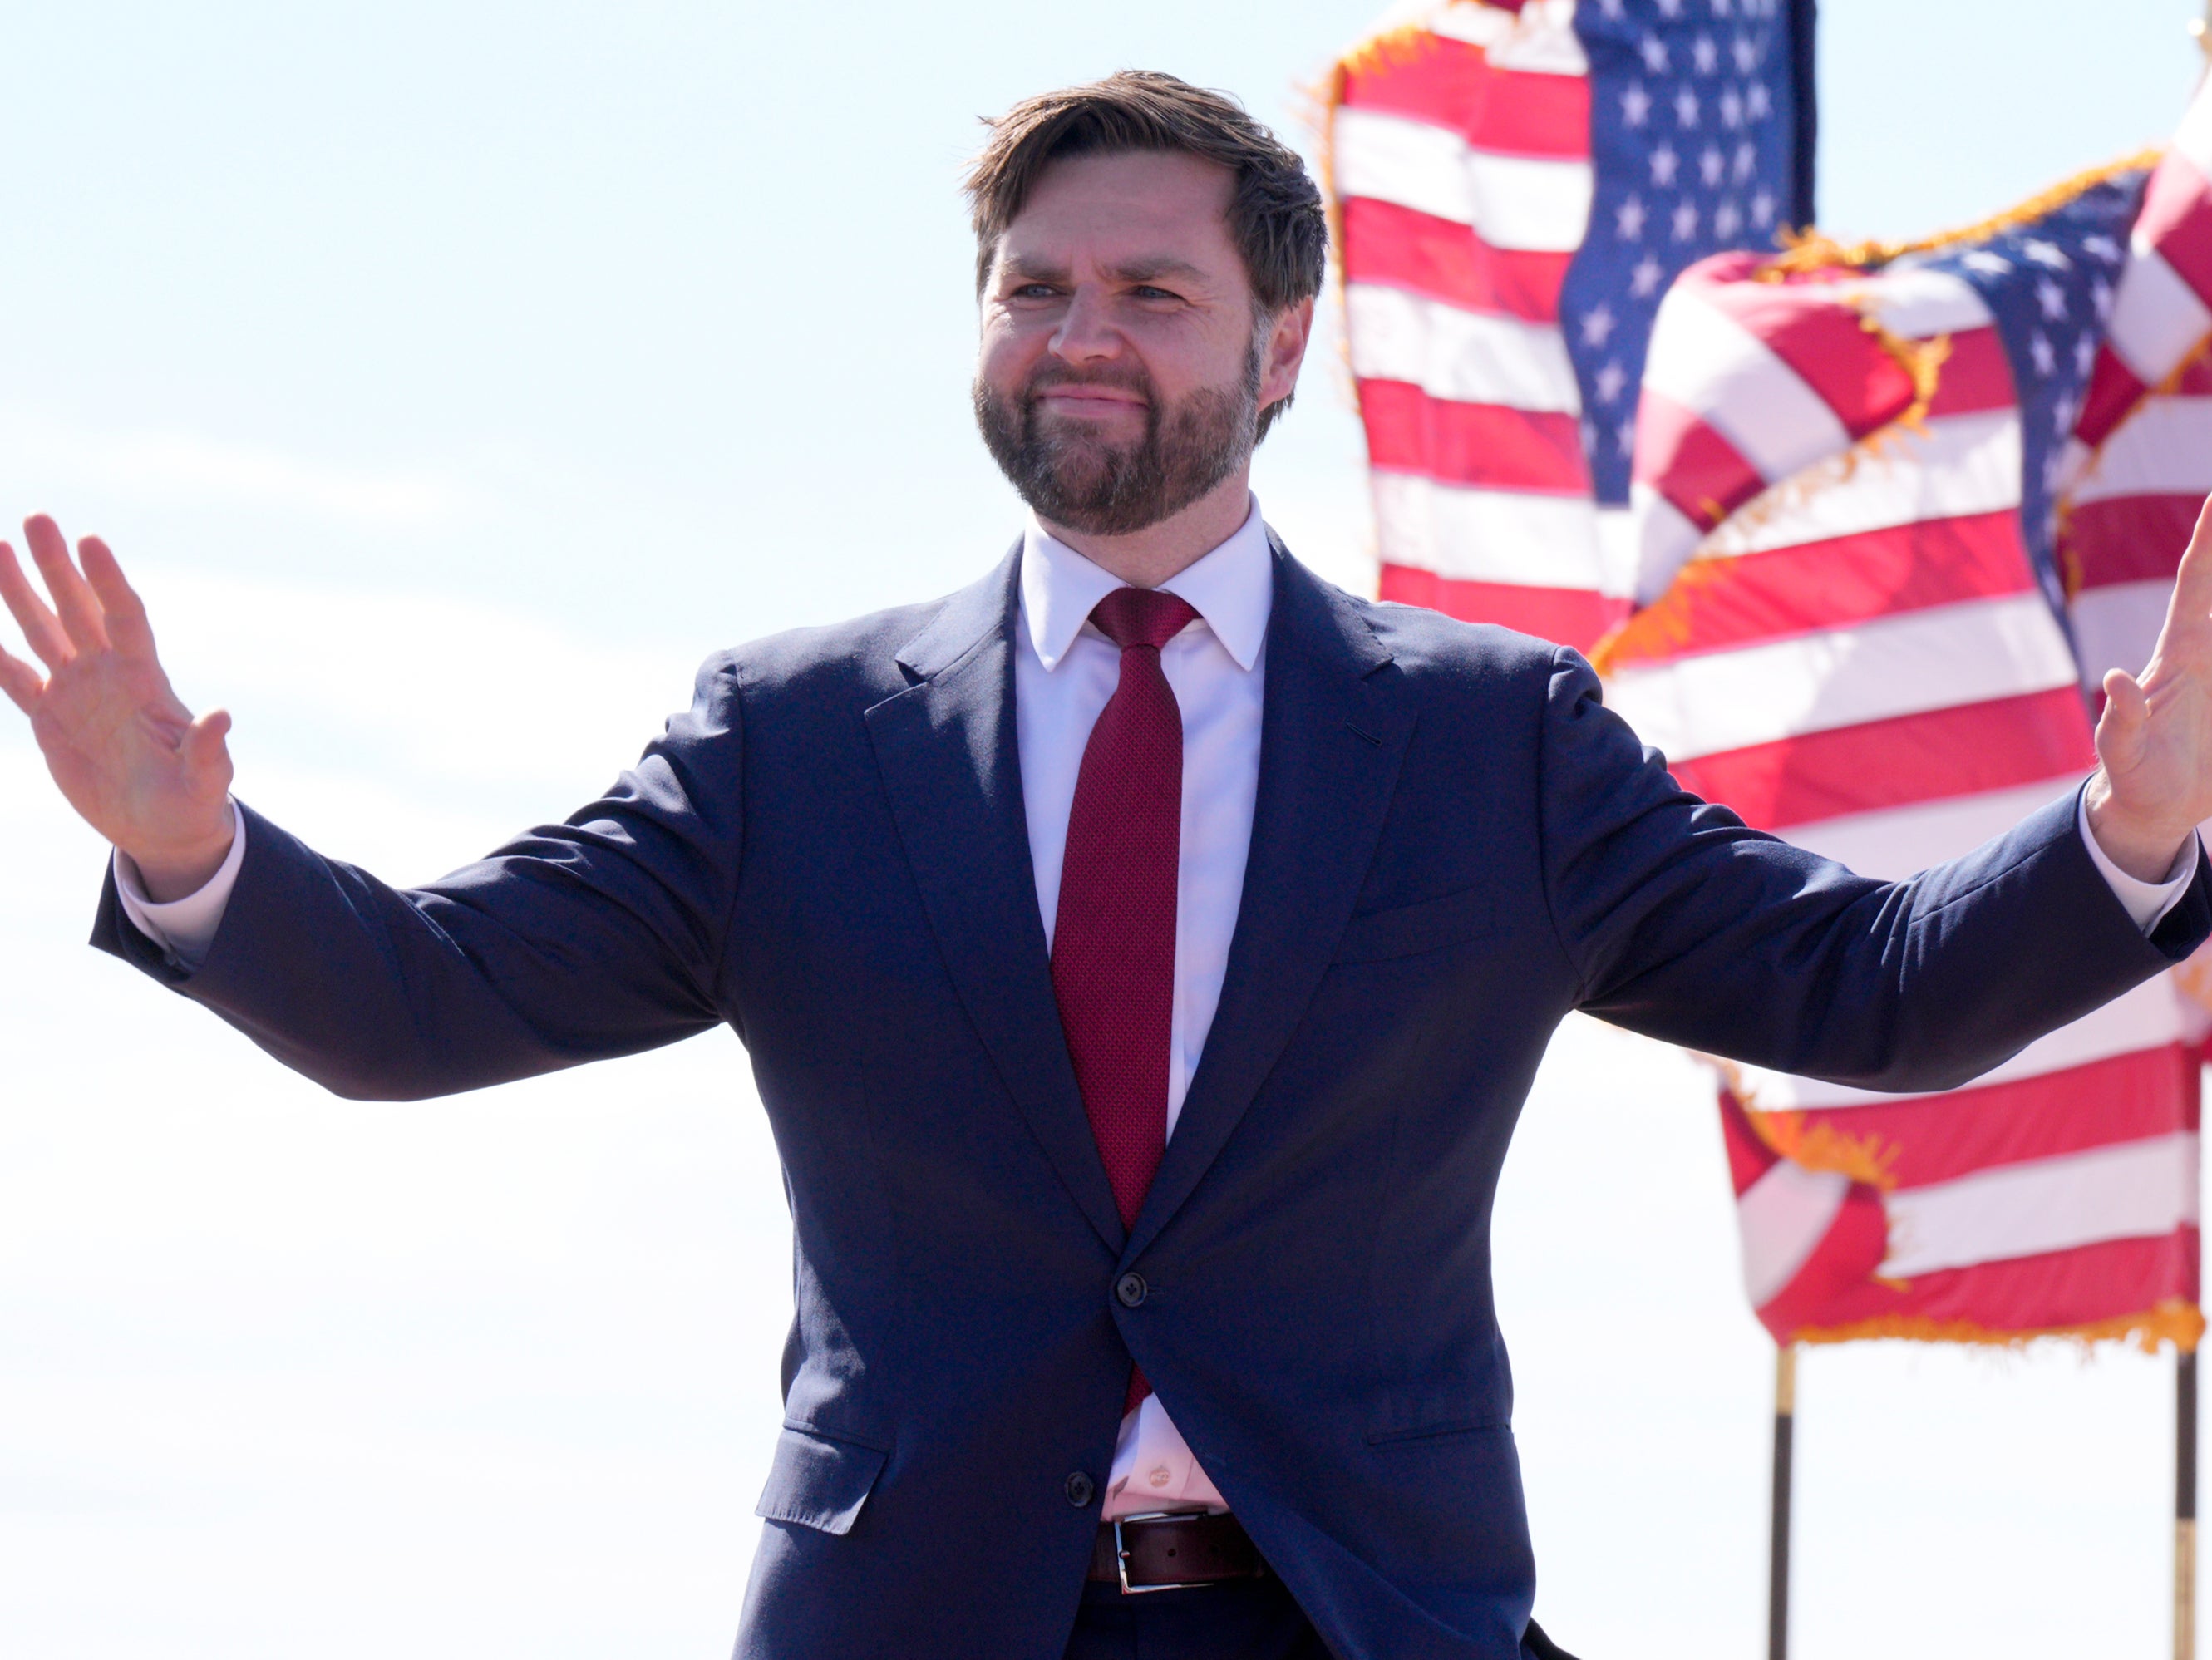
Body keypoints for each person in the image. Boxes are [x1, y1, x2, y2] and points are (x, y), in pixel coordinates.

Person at [3, 71, 2210, 1660]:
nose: (1078, 331)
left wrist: (2135, 823)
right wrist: (196, 856)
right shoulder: (792, 740)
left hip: (1356, 1615)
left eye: (1148, 291)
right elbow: (421, 1008)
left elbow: (1876, 997)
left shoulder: (1486, 740)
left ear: (1278, 351)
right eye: (1032, 284)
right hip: (914, 1619)